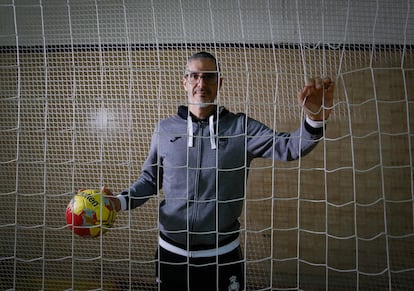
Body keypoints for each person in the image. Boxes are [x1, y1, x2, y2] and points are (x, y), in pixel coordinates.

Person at [106, 51, 335, 291]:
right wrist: (119, 201)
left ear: (220, 83)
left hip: (223, 256)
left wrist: (314, 120)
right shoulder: (164, 129)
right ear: (185, 82)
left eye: (209, 77)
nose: (201, 83)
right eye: (194, 76)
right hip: (170, 254)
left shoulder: (241, 127)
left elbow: (289, 147)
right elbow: (150, 180)